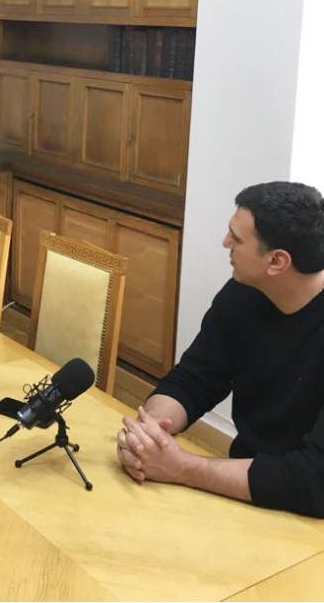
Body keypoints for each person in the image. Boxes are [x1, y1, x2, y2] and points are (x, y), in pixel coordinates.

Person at [117, 181, 324, 518]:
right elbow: (194, 379)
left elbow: (315, 478)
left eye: (236, 239)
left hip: (307, 516)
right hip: (247, 489)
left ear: (277, 261)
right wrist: (148, 434)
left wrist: (182, 467)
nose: (225, 242)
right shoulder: (243, 293)